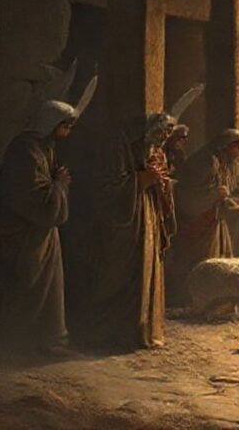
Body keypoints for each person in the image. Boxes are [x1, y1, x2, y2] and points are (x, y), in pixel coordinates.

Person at [86, 113, 176, 351]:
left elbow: (161, 183)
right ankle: (113, 333)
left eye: (169, 132)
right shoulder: (118, 150)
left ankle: (142, 330)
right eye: (162, 131)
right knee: (119, 273)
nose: (165, 137)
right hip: (126, 224)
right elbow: (107, 192)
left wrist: (161, 183)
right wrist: (142, 179)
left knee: (144, 271)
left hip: (148, 218)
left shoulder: (155, 152)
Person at [0, 101, 75, 357]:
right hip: (23, 232)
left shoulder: (45, 147)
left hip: (43, 233)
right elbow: (27, 194)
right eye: (65, 126)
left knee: (49, 285)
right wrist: (59, 186)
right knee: (27, 285)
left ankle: (46, 339)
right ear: (51, 123)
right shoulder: (25, 149)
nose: (68, 132)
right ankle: (19, 342)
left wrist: (56, 186)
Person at [167, 129, 239, 306]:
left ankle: (213, 298)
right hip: (197, 218)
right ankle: (189, 299)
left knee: (217, 256)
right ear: (226, 147)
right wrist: (216, 195)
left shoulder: (226, 164)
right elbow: (190, 192)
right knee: (199, 259)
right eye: (238, 147)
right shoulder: (207, 162)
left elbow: (231, 190)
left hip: (213, 218)